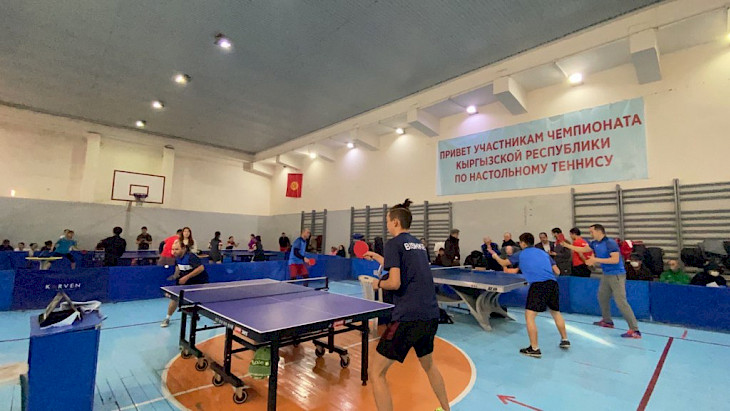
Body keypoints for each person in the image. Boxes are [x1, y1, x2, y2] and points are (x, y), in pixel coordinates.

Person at [361, 199, 450, 411]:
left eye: (387, 221)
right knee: (429, 365)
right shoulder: (419, 245)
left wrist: (377, 283)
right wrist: (378, 257)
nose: (386, 225)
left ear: (395, 222)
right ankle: (446, 409)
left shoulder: (393, 243)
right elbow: (404, 265)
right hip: (430, 315)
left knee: (376, 373)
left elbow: (394, 282)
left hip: (408, 317)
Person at [487, 232, 570, 357]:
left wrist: (494, 255)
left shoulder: (521, 253)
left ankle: (534, 348)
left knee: (529, 316)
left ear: (524, 243)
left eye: (520, 242)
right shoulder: (543, 252)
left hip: (538, 285)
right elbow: (557, 271)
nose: (520, 244)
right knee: (555, 312)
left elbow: (503, 263)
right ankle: (565, 340)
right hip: (552, 284)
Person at [562, 224, 642, 338]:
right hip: (606, 275)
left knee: (621, 302)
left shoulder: (610, 243)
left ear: (599, 231)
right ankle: (607, 321)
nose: (590, 234)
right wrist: (567, 245)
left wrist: (595, 259)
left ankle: (635, 330)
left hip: (617, 275)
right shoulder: (594, 243)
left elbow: (615, 260)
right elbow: (583, 249)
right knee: (602, 297)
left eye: (592, 232)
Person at [161, 240, 209, 328]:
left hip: (199, 282)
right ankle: (167, 318)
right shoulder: (177, 257)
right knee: (174, 298)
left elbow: (201, 268)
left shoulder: (191, 257)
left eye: (176, 249)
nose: (174, 251)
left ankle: (217, 318)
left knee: (205, 301)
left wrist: (186, 277)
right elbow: (178, 267)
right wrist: (175, 276)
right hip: (186, 281)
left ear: (183, 248)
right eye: (173, 249)